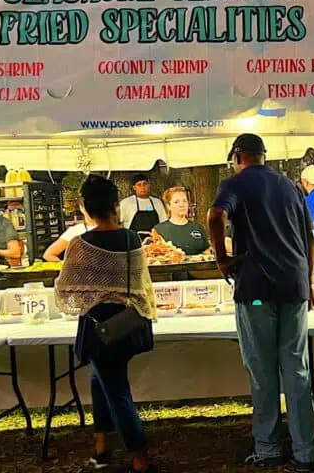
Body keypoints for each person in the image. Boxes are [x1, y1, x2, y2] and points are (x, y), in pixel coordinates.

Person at [208, 134, 314, 472]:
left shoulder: (235, 184)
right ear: (263, 156)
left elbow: (215, 216)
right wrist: (309, 282)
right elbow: (310, 238)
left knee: (262, 370)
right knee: (297, 370)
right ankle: (305, 452)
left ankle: (269, 448)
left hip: (255, 286)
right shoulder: (290, 186)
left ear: (238, 156)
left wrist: (222, 258)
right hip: (295, 285)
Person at [55, 175, 158, 473]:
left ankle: (139, 455)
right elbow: (141, 283)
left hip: (100, 327)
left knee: (116, 390)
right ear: (115, 205)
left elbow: (66, 289)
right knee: (100, 381)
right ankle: (101, 446)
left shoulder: (81, 244)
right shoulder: (131, 238)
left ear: (85, 207)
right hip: (128, 323)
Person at [152, 187, 209, 256]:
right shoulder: (159, 230)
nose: (182, 205)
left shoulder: (198, 227)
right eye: (176, 202)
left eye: (185, 201)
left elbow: (207, 250)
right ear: (168, 206)